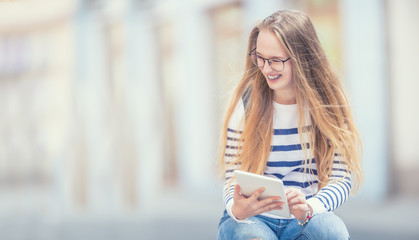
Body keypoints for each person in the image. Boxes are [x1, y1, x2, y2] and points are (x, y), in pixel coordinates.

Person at [217, 10, 363, 240]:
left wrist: (310, 207)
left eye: (275, 60)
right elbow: (232, 174)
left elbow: (340, 178)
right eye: (260, 58)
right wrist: (236, 209)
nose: (265, 68)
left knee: (331, 231)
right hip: (254, 218)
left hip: (306, 216)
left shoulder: (330, 104)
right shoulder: (245, 104)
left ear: (302, 58)